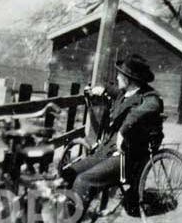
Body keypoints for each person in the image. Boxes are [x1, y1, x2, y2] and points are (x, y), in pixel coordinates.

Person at [62, 54, 163, 218]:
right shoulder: (125, 94)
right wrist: (101, 88)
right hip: (106, 152)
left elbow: (150, 107)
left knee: (84, 180)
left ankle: (71, 219)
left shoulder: (149, 97)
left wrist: (124, 129)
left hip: (126, 160)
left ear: (129, 79)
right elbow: (113, 91)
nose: (117, 77)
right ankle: (63, 215)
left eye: (120, 75)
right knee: (68, 174)